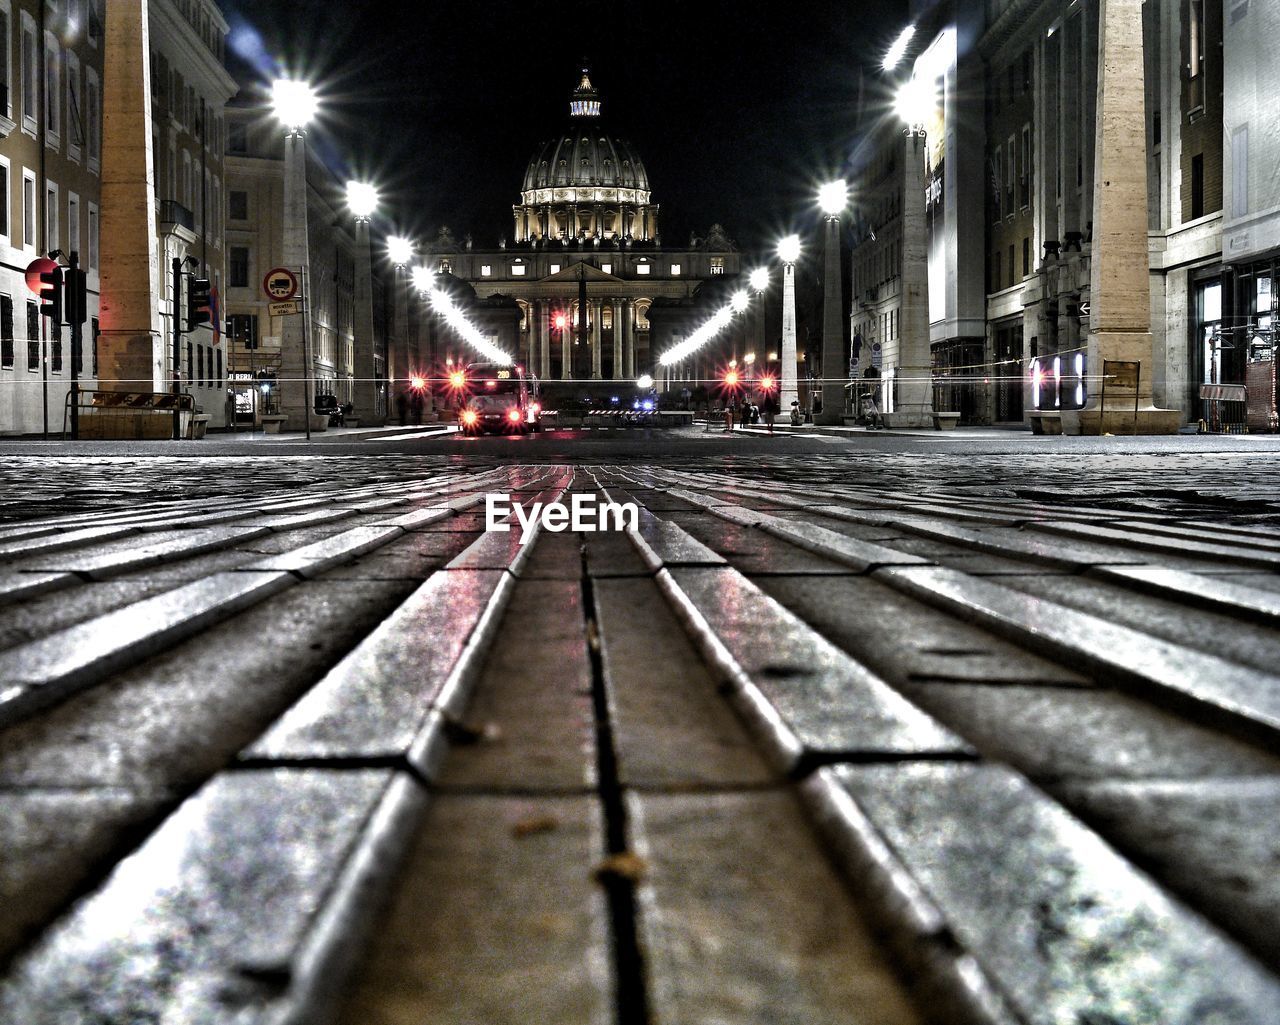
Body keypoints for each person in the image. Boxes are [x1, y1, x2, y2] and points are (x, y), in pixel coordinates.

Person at [862, 364, 885, 429]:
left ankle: (873, 423)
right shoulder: (874, 381)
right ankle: (874, 423)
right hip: (871, 396)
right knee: (872, 409)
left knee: (871, 409)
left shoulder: (871, 382)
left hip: (871, 396)